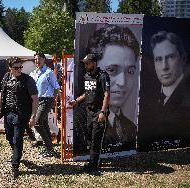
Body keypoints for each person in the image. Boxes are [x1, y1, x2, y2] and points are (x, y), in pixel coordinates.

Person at [84, 24, 140, 152]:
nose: (122, 82)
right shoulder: (79, 121)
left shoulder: (131, 127)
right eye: (112, 70)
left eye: (130, 71)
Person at [0, 57, 39, 179]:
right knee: (9, 137)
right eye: (16, 68)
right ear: (10, 68)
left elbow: (35, 99)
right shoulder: (6, 77)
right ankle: (17, 154)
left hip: (21, 114)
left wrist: (33, 116)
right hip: (8, 113)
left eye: (20, 67)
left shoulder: (28, 80)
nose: (19, 70)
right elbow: (1, 95)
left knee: (17, 139)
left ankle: (15, 165)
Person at [69, 53, 110, 172]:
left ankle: (93, 164)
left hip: (99, 112)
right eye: (84, 63)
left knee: (96, 138)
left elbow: (107, 94)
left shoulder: (103, 76)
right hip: (89, 111)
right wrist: (76, 101)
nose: (85, 65)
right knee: (89, 138)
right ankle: (96, 159)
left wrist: (103, 112)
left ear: (94, 63)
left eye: (87, 63)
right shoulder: (87, 75)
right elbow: (87, 93)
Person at [148, 31, 190, 146]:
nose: (164, 67)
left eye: (170, 57)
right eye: (158, 59)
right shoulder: (148, 96)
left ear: (183, 58)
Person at [29, 52, 60, 157]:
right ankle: (50, 148)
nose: (37, 61)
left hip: (46, 100)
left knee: (37, 123)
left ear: (44, 60)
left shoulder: (49, 72)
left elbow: (56, 88)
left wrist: (53, 100)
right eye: (35, 59)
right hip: (36, 101)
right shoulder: (33, 73)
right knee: (44, 123)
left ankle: (49, 147)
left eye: (39, 59)